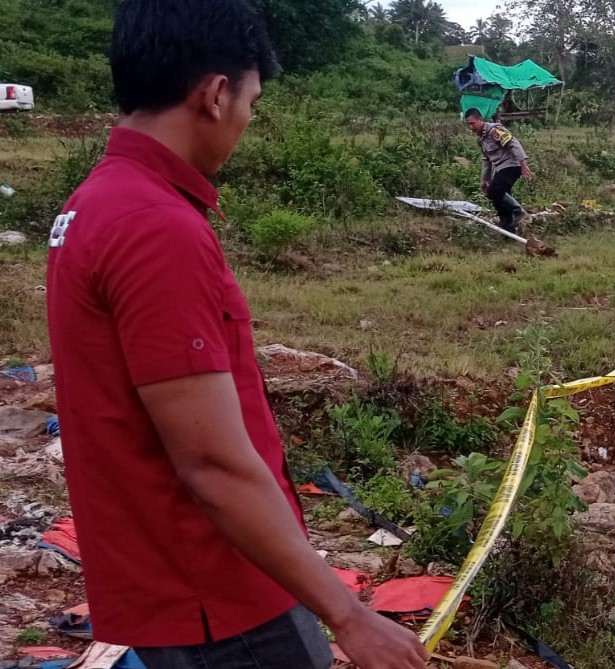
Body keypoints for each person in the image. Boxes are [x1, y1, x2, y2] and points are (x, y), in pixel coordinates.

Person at [44, 2, 428, 668]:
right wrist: (347, 615)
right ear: (216, 94)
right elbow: (213, 464)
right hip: (220, 598)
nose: (248, 120)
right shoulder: (154, 226)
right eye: (251, 100)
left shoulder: (94, 203)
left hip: (167, 583)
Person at [465, 108, 535, 235]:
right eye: (468, 124)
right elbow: (487, 160)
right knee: (499, 200)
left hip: (512, 165)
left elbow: (513, 144)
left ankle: (519, 212)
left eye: (472, 123)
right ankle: (508, 231)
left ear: (480, 119)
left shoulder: (494, 130)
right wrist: (484, 180)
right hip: (500, 168)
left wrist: (523, 164)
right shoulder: (480, 140)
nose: (471, 127)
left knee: (494, 191)